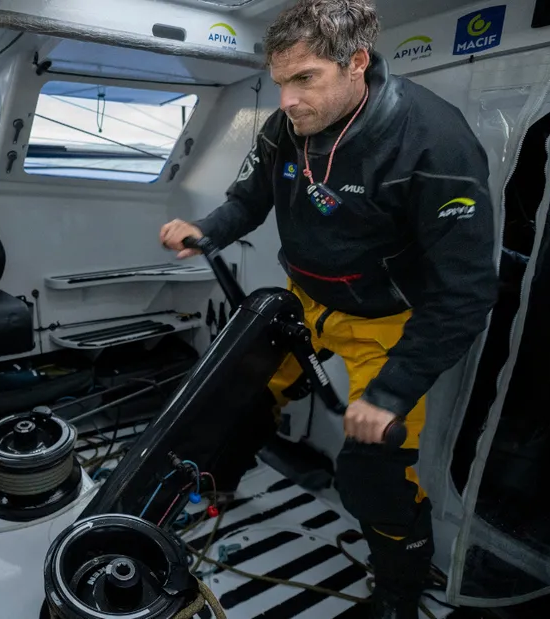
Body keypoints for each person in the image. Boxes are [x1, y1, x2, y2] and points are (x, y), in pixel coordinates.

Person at [160, 1, 498, 617]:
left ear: (357, 64)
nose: (287, 99)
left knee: (374, 474)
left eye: (305, 78)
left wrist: (391, 395)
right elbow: (249, 198)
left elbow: (464, 293)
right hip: (308, 300)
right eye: (280, 81)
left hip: (385, 324)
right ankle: (215, 485)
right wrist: (205, 230)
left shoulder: (434, 144)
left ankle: (398, 592)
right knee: (241, 391)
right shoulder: (287, 126)